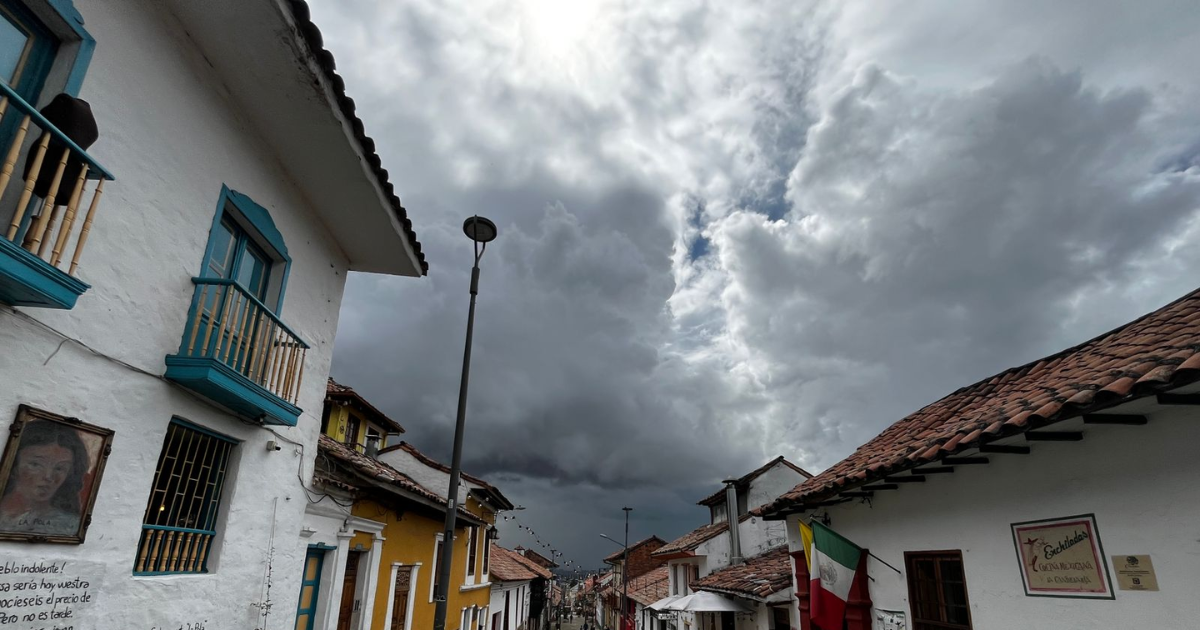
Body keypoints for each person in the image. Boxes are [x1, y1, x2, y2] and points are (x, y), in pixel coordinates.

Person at [0, 420, 90, 536]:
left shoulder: (70, 525)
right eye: (35, 464)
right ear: (14, 465)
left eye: (60, 468)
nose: (48, 476)